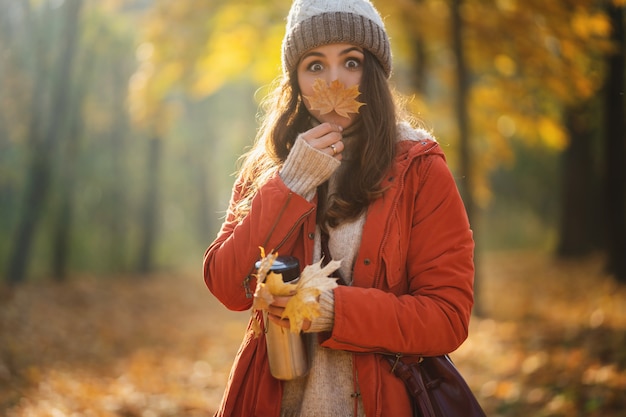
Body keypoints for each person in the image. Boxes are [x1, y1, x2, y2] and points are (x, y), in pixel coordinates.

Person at [203, 0, 475, 415]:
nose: (335, 82)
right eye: (315, 65)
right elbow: (226, 284)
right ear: (295, 78)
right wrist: (290, 185)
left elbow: (448, 317)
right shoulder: (272, 164)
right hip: (277, 400)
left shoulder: (419, 168)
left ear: (375, 73)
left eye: (351, 62)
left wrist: (338, 311)